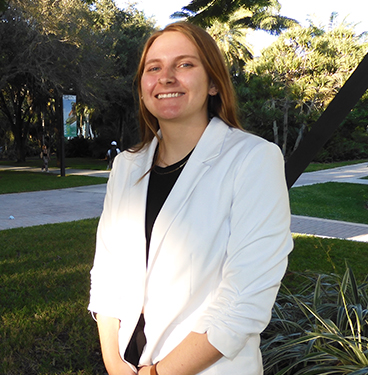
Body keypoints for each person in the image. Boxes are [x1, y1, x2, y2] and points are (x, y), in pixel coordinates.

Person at [88, 22, 292, 375]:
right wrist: (113, 362)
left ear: (213, 83)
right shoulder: (126, 166)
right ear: (142, 88)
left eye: (184, 64)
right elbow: (107, 273)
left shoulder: (253, 160)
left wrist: (158, 373)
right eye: (153, 68)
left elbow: (246, 297)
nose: (165, 77)